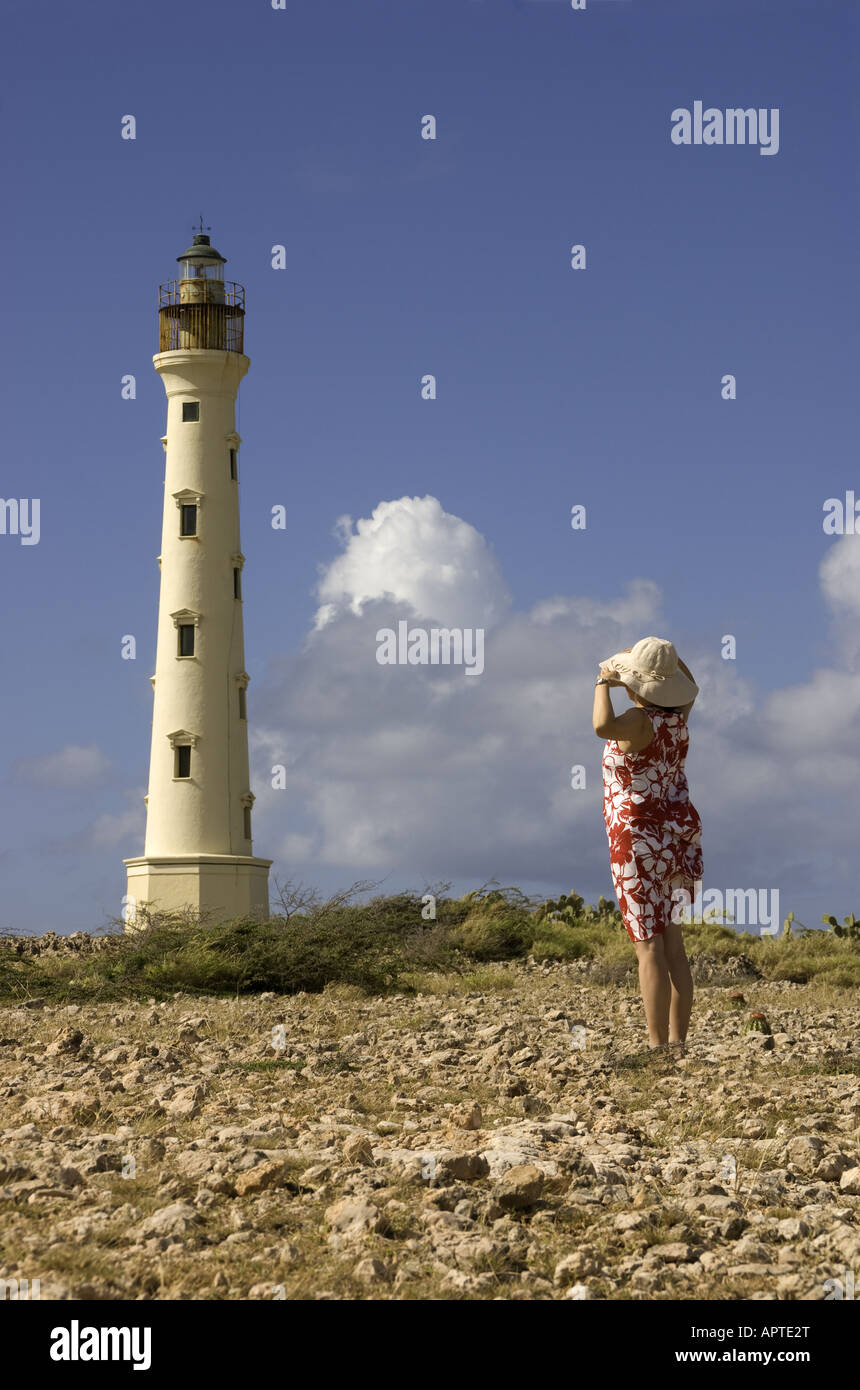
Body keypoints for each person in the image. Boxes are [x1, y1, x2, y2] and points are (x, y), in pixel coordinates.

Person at [592, 637, 702, 1052]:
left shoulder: (638, 721)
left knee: (648, 945)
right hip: (674, 838)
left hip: (635, 839)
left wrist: (604, 681)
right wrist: (664, 663)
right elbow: (690, 684)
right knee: (673, 944)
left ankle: (656, 1046)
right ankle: (677, 1043)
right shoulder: (679, 719)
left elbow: (601, 726)